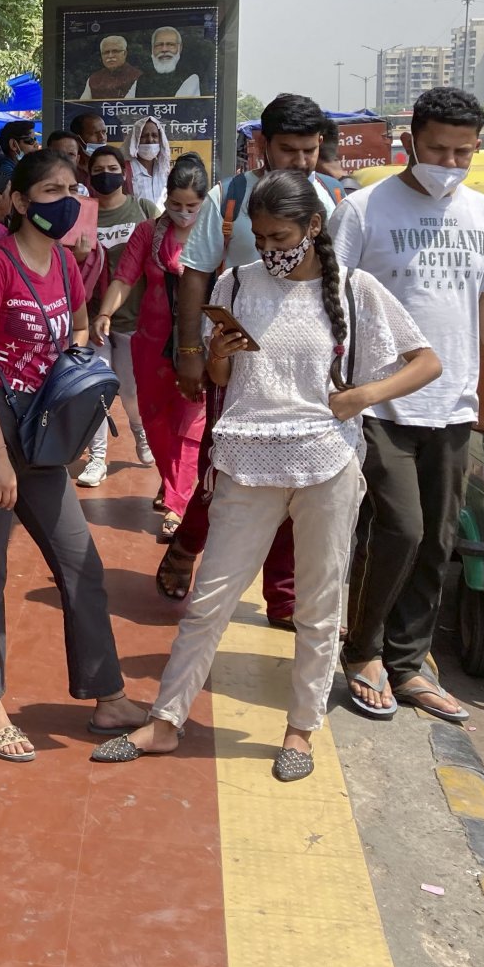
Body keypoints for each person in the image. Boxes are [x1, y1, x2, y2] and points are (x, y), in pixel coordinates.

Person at [94, 171, 438, 781]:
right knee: (209, 602)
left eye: (280, 235)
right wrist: (217, 357)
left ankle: (301, 730)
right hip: (246, 462)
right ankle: (166, 720)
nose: (270, 248)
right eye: (258, 235)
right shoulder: (235, 283)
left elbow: (427, 362)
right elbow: (224, 383)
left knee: (319, 604)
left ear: (313, 229)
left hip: (328, 465)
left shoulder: (356, 292)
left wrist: (365, 396)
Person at [332, 87, 484, 723]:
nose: (450, 162)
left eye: (464, 152)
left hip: (454, 407)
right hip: (380, 407)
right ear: (409, 143)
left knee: (437, 541)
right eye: (439, 148)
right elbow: (330, 307)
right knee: (399, 530)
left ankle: (408, 662)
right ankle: (361, 651)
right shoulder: (363, 212)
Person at [0, 150, 138, 762]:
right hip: (0, 433)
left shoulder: (64, 262)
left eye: (71, 187)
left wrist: (75, 401)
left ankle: (106, 694)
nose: (63, 199)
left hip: (44, 435)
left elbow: (79, 330)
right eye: (49, 189)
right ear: (16, 198)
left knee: (81, 564)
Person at [159, 93, 340, 620]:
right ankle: (188, 544)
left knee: (295, 478)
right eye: (290, 150)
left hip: (305, 371)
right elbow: (195, 274)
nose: (302, 161)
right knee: (222, 472)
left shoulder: (329, 200)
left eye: (311, 150)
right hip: (233, 364)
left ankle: (282, 597)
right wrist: (190, 352)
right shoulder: (230, 196)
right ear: (262, 146)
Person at [93, 153, 210, 534]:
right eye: (175, 204)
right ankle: (170, 479)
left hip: (199, 345)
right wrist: (105, 313)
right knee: (156, 419)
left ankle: (178, 502)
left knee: (192, 423)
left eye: (192, 206)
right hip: (152, 343)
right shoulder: (148, 232)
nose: (183, 213)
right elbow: (124, 278)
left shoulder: (214, 234)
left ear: (204, 201)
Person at [76, 143, 158, 487]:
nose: (105, 176)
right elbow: (69, 268)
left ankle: (139, 433)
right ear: (89, 175)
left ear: (124, 172)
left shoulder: (143, 209)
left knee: (131, 393)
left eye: (112, 169)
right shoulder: (82, 213)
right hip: (92, 318)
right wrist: (79, 257)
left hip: (134, 319)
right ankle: (97, 458)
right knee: (97, 389)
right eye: (98, 170)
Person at [125, 25, 204, 98]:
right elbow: (124, 108)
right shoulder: (141, 80)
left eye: (170, 44)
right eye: (159, 45)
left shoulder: (190, 79)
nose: (164, 49)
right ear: (152, 50)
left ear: (180, 48)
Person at [124, 114, 173, 209]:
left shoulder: (164, 170)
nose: (150, 140)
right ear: (136, 140)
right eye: (144, 136)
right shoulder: (126, 171)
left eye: (154, 135)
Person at [78, 34, 142, 99]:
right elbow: (83, 105)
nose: (110, 56)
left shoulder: (138, 77)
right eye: (106, 52)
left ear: (125, 54)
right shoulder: (93, 79)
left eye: (115, 51)